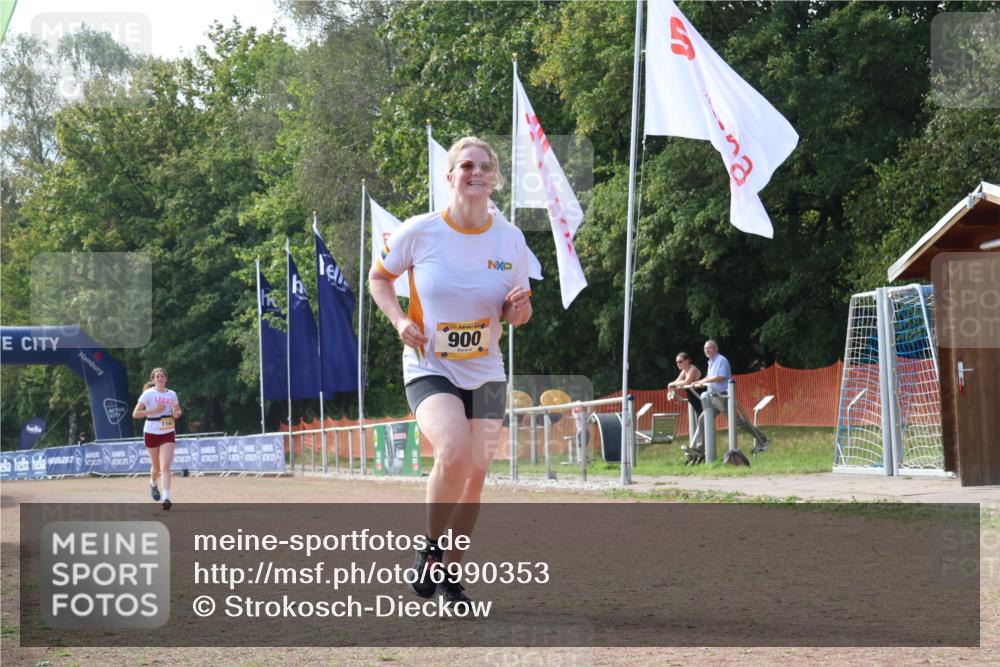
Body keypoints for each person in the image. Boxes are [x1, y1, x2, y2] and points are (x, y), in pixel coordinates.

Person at [369, 136, 532, 611]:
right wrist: (401, 321)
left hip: (486, 371)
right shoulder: (420, 231)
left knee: (476, 476)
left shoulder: (511, 239)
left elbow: (518, 314)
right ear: (450, 176)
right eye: (466, 165)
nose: (475, 173)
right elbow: (379, 278)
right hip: (430, 365)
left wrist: (515, 309)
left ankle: (451, 579)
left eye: (484, 166)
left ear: (495, 177)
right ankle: (431, 550)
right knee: (455, 451)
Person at [133, 367, 181, 510]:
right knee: (157, 468)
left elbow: (177, 410)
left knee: (166, 467)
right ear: (153, 379)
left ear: (166, 379)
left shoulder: (172, 394)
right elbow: (135, 414)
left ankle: (166, 498)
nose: (160, 378)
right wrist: (154, 411)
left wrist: (176, 413)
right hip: (151, 432)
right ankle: (153, 483)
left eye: (162, 376)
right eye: (157, 376)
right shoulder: (148, 394)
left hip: (168, 431)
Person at [666, 351, 703, 416]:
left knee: (702, 420)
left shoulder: (692, 369)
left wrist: (671, 384)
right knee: (699, 420)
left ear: (687, 360)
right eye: (677, 362)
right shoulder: (684, 371)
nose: (678, 364)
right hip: (695, 401)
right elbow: (676, 382)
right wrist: (675, 394)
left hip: (702, 400)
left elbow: (687, 382)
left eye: (680, 361)